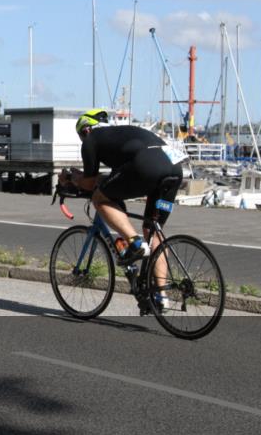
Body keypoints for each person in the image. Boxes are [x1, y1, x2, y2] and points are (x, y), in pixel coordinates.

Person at [59, 109, 187, 308]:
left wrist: (70, 178)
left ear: (86, 130)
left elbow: (90, 184)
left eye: (80, 135)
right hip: (174, 170)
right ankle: (160, 296)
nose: (82, 140)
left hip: (147, 165)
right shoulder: (121, 136)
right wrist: (86, 179)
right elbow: (116, 178)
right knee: (153, 231)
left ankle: (134, 243)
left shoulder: (92, 139)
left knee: (99, 199)